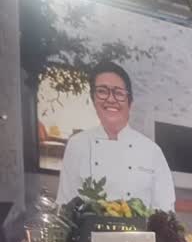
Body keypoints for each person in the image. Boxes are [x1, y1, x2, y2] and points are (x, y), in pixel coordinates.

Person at [56, 62, 176, 211]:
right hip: (89, 234)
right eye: (102, 91)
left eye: (118, 93)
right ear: (93, 99)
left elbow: (165, 210)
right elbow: (64, 207)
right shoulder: (77, 144)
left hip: (139, 234)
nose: (111, 99)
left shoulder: (152, 151)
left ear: (130, 103)